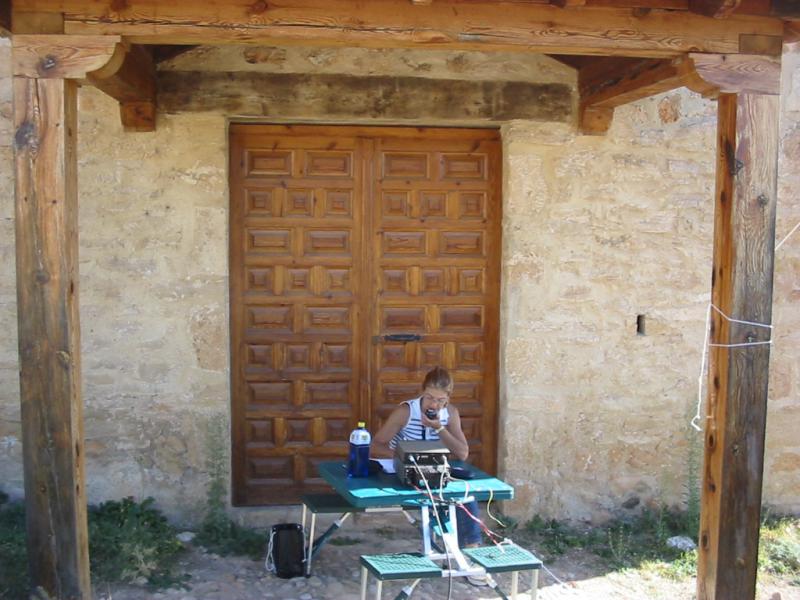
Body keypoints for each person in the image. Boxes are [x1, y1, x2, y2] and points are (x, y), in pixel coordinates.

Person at [371, 366, 482, 549]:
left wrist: (439, 428)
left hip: (435, 473)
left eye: (440, 400)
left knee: (465, 497)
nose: (433, 404)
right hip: (407, 473)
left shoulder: (450, 414)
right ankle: (445, 547)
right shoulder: (406, 411)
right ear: (422, 392)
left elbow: (462, 453)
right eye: (429, 397)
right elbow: (375, 446)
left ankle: (470, 552)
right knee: (441, 501)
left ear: (447, 399)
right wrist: (405, 456)